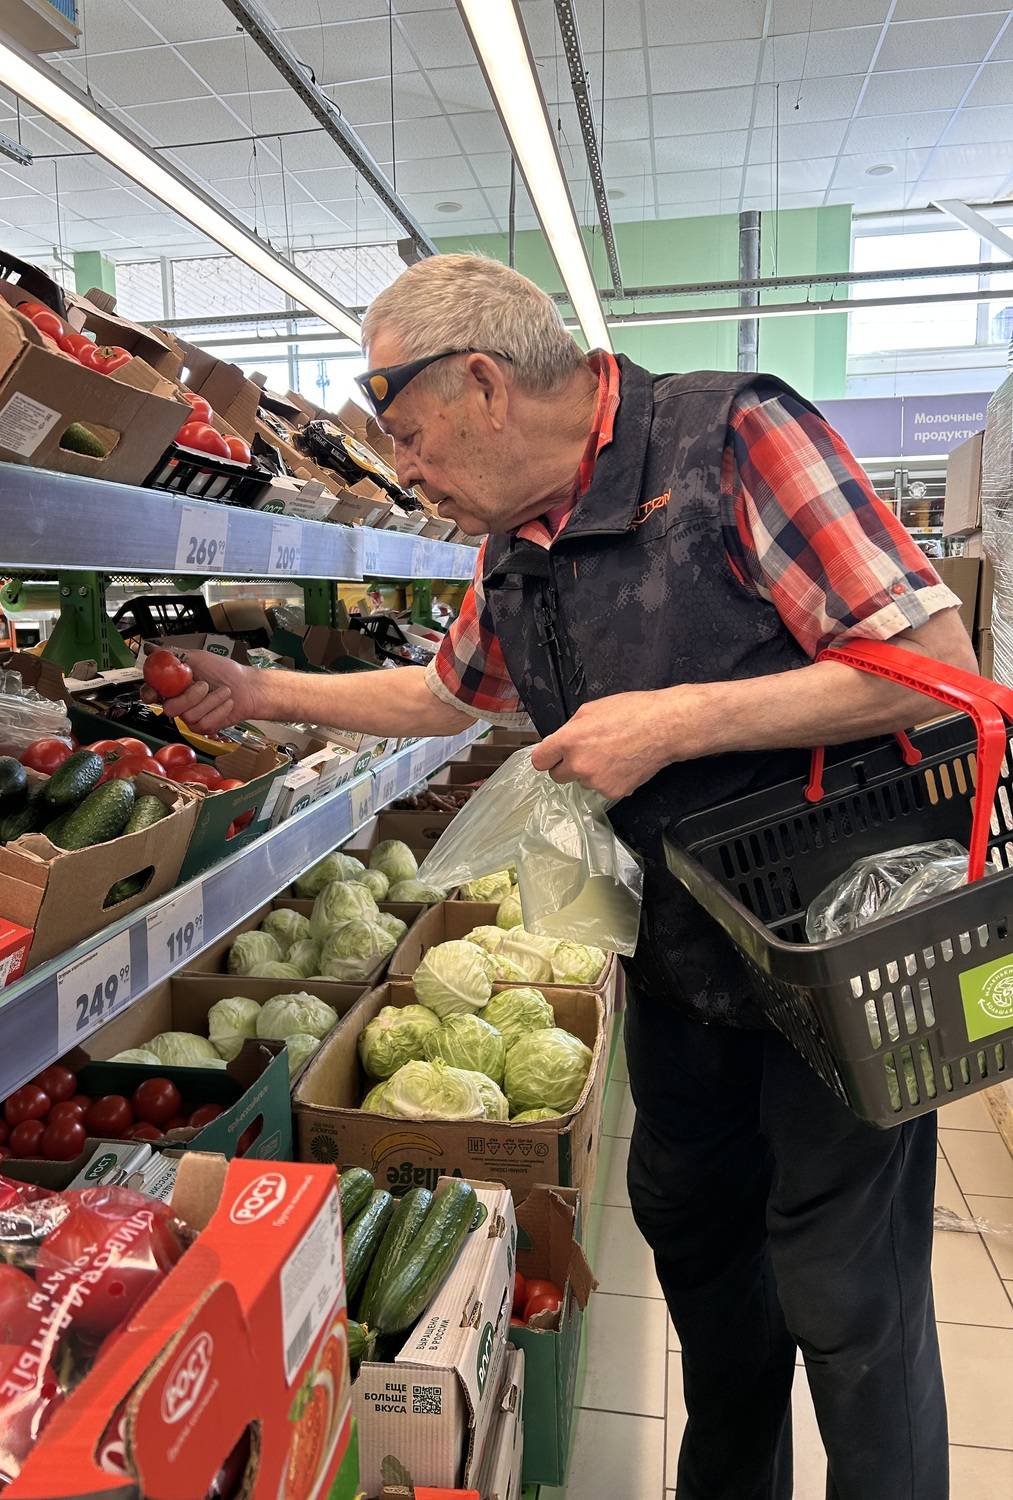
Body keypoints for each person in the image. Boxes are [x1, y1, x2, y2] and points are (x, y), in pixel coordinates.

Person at [158, 255, 975, 1500]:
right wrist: (263, 689)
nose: (408, 473)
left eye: (410, 436)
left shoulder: (732, 440)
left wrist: (673, 722)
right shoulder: (518, 543)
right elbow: (448, 694)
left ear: (484, 384)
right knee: (706, 1267)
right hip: (681, 969)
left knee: (847, 1295)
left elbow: (934, 660)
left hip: (843, 966)